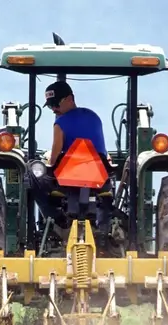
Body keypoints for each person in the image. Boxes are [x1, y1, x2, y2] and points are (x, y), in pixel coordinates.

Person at [28, 81, 113, 236]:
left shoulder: (60, 123)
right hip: (98, 178)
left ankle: (53, 219)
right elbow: (101, 149)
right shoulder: (94, 117)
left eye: (56, 104)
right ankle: (106, 226)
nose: (54, 109)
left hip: (69, 180)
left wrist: (48, 162)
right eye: (50, 106)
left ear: (70, 99)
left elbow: (54, 158)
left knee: (31, 172)